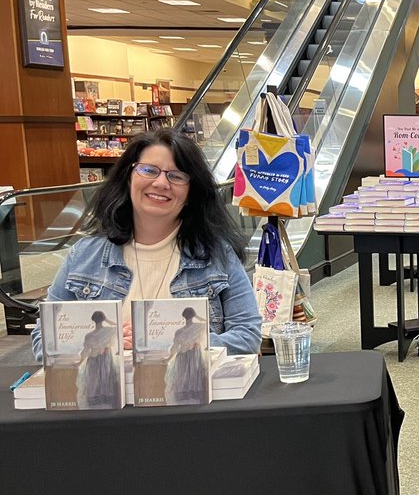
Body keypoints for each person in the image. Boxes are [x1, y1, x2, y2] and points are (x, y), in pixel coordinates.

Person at [32, 129, 261, 361]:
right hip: (104, 392)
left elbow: (248, 336)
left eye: (177, 176)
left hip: (191, 393)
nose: (161, 183)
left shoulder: (217, 255)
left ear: (191, 192)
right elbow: (44, 340)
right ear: (128, 177)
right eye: (149, 170)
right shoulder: (83, 255)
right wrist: (105, 343)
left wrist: (172, 343)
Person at [76, 309, 121, 409]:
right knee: (103, 379)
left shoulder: (90, 335)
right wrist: (107, 319)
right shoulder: (108, 331)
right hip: (104, 359)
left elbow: (85, 351)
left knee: (95, 380)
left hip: (96, 359)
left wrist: (79, 362)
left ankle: (97, 402)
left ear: (94, 320)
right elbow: (118, 325)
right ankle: (104, 401)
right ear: (102, 319)